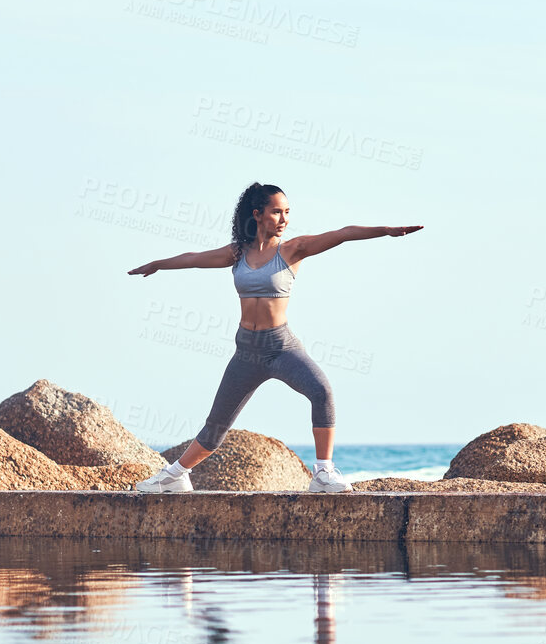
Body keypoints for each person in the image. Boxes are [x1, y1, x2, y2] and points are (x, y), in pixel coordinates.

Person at [128, 182, 421, 494]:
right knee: (216, 426)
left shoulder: (293, 250)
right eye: (277, 212)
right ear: (258, 214)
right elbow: (194, 258)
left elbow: (343, 233)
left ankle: (323, 472)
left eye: (287, 212)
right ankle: (175, 476)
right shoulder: (238, 253)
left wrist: (386, 230)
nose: (284, 218)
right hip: (246, 352)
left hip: (281, 348)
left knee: (321, 392)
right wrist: (158, 265)